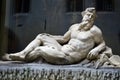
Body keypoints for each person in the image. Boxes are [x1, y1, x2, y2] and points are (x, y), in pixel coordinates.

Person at [2, 7, 112, 64]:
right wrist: (49, 36)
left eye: (92, 17)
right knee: (41, 36)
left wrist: (96, 50)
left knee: (40, 50)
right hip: (61, 49)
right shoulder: (74, 27)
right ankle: (23, 54)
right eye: (88, 15)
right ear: (83, 16)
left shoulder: (95, 31)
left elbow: (102, 43)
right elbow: (63, 38)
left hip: (67, 57)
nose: (89, 18)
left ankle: (22, 59)